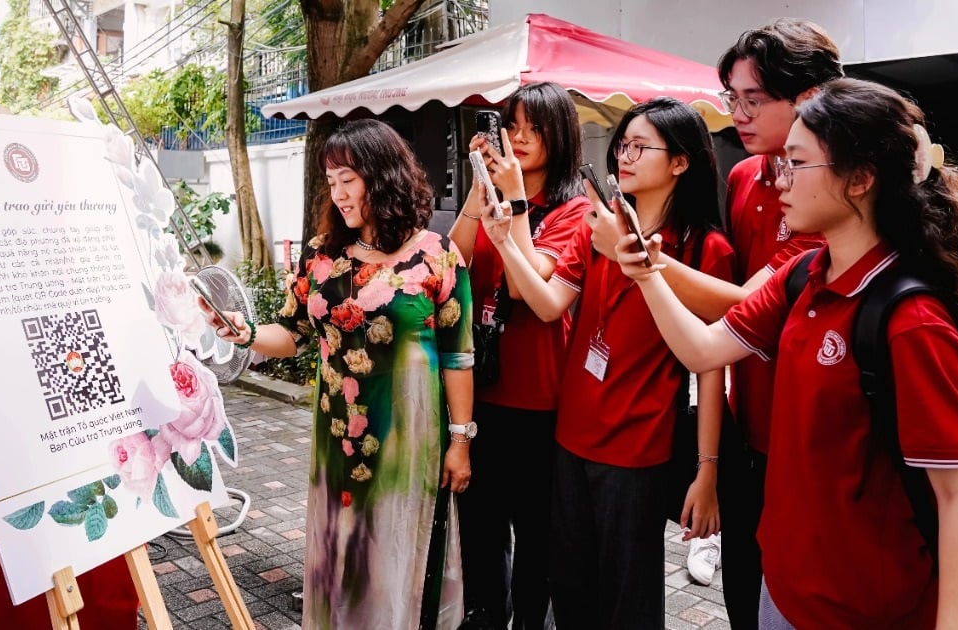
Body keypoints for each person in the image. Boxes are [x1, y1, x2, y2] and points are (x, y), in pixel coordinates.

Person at [614, 78, 958, 629]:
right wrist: (647, 273)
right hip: (785, 589)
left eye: (797, 163)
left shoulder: (910, 322)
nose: (780, 182)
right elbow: (703, 350)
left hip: (865, 610)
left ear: (861, 179)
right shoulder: (801, 276)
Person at [203, 119, 475, 629]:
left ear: (383, 174)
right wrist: (242, 333)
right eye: (331, 182)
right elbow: (291, 333)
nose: (339, 193)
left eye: (348, 178)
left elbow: (459, 356)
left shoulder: (436, 255)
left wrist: (461, 441)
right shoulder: (321, 254)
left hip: (407, 442)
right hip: (337, 438)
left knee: (396, 544)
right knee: (343, 547)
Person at [618, 19, 843, 623]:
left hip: (815, 435)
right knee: (745, 592)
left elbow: (745, 304)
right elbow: (733, 321)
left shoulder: (833, 195)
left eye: (753, 100)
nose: (738, 115)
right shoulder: (745, 178)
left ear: (810, 100)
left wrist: (650, 261)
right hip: (751, 422)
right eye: (731, 99)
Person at [480, 97, 732, 628]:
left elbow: (712, 366)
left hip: (637, 446)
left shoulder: (703, 247)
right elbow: (547, 303)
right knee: (569, 587)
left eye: (641, 147)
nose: (626, 156)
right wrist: (505, 239)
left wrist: (707, 470)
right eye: (623, 145)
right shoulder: (599, 229)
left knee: (627, 598)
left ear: (681, 162)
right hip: (570, 436)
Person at [447, 81, 591, 630]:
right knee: (480, 532)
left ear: (561, 136)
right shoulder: (493, 198)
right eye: (513, 126)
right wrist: (476, 193)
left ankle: (532, 620)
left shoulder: (573, 211)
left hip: (539, 402)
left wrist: (516, 207)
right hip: (479, 395)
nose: (520, 137)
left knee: (537, 538)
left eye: (535, 128)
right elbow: (453, 262)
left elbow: (534, 287)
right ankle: (487, 616)